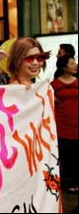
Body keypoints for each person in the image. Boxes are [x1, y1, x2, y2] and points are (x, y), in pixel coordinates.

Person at [50, 55, 78, 194]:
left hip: (76, 124)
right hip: (62, 126)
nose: (75, 65)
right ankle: (67, 183)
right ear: (64, 67)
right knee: (66, 157)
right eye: (72, 63)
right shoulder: (54, 85)